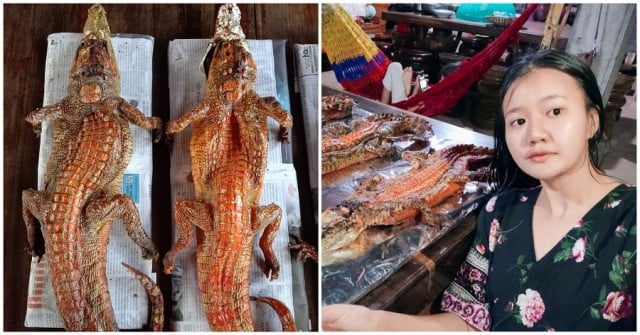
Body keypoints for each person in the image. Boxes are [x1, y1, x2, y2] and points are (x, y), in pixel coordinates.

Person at [322, 49, 636, 331]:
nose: (535, 133)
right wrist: (371, 322)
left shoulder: (631, 221)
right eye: (518, 121)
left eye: (555, 112)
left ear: (592, 121)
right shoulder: (499, 213)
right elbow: (470, 321)